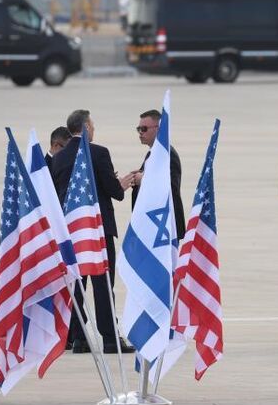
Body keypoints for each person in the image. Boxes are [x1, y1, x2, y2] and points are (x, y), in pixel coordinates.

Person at [51, 109, 133, 354]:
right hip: (97, 230)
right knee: (103, 284)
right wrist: (122, 184)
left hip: (71, 230)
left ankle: (78, 337)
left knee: (76, 284)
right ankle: (109, 338)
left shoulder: (59, 158)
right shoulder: (98, 153)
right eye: (92, 125)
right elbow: (114, 192)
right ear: (86, 127)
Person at [120, 109, 185, 240]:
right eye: (138, 129)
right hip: (152, 225)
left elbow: (170, 187)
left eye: (144, 129)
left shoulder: (167, 155)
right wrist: (135, 177)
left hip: (163, 227)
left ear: (158, 128)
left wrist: (143, 180)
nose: (140, 133)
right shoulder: (153, 153)